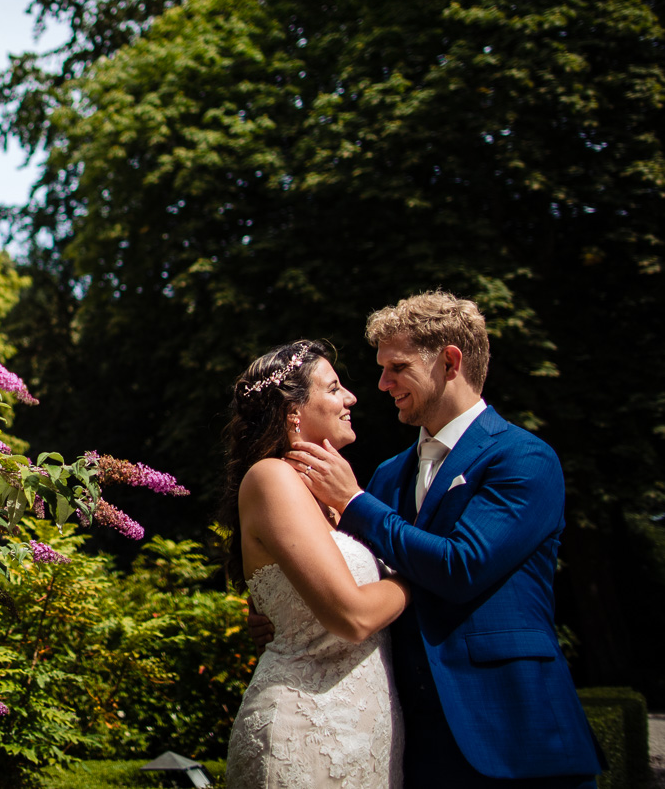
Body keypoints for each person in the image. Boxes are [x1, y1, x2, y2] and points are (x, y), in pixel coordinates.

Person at [283, 292, 602, 788]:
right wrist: (285, 614)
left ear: (450, 361)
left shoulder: (523, 459)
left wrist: (355, 503)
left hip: (514, 729)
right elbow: (351, 574)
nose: (383, 384)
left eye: (397, 367)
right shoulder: (389, 474)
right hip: (416, 739)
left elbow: (463, 568)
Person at [221, 339, 409, 789]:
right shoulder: (271, 478)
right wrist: (425, 569)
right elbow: (354, 614)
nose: (351, 398)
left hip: (366, 730)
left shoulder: (334, 496)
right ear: (293, 412)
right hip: (304, 731)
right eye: (334, 387)